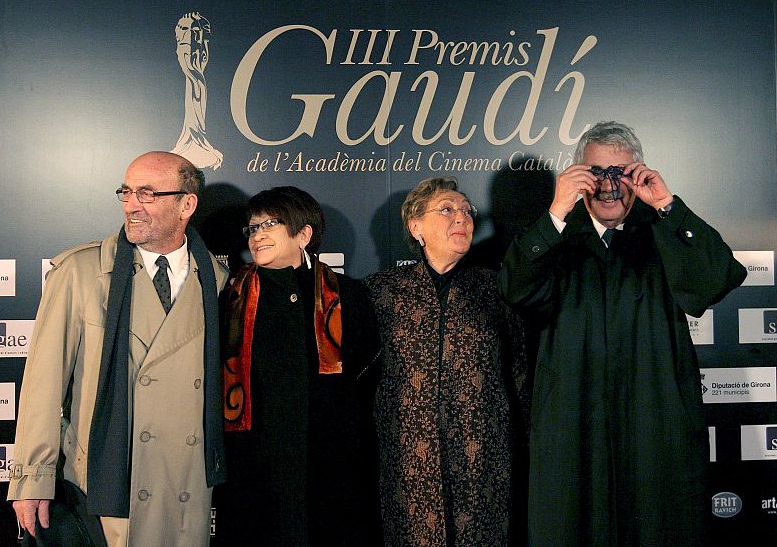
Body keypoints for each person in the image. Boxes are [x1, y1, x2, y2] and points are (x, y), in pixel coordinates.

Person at [499, 121, 747, 546]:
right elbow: (516, 290)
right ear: (578, 178)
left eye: (622, 173)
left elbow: (717, 278)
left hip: (655, 421)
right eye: (597, 173)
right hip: (575, 425)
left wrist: (669, 206)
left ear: (640, 174)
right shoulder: (558, 238)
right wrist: (556, 213)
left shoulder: (663, 235)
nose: (610, 187)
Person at [8, 151, 229, 547]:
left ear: (186, 204)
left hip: (186, 487)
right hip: (109, 484)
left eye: (146, 194)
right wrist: (31, 479)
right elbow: (43, 386)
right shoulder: (80, 272)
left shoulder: (215, 279)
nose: (131, 205)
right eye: (126, 191)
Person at [212, 186, 382, 546]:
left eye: (268, 225)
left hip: (329, 466)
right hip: (254, 466)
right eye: (253, 228)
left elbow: (367, 376)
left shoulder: (347, 295)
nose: (257, 236)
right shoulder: (229, 297)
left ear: (303, 234)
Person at [365, 177, 529, 546]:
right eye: (447, 209)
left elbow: (519, 372)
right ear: (415, 226)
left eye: (466, 211)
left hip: (482, 456)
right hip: (408, 458)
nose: (462, 218)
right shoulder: (382, 291)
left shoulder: (496, 288)